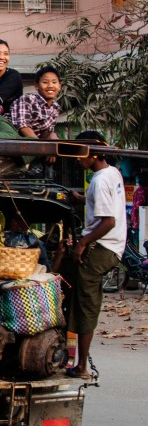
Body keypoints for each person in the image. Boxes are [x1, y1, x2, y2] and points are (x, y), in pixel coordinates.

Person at [58, 131, 126, 380]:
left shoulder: (100, 180)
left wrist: (82, 244)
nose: (77, 159)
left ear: (94, 153)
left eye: (80, 153)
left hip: (101, 248)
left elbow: (108, 221)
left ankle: (81, 366)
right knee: (72, 291)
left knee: (85, 305)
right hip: (112, 247)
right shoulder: (110, 173)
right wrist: (80, 198)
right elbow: (102, 203)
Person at [9, 66, 63, 140]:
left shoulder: (56, 107)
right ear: (36, 85)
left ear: (59, 86)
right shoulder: (28, 99)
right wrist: (39, 146)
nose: (50, 86)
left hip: (35, 142)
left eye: (54, 82)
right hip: (16, 139)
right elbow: (23, 127)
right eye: (45, 82)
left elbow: (46, 133)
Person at [130, 170, 148, 236]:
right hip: (139, 223)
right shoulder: (142, 191)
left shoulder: (140, 190)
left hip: (138, 222)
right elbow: (140, 206)